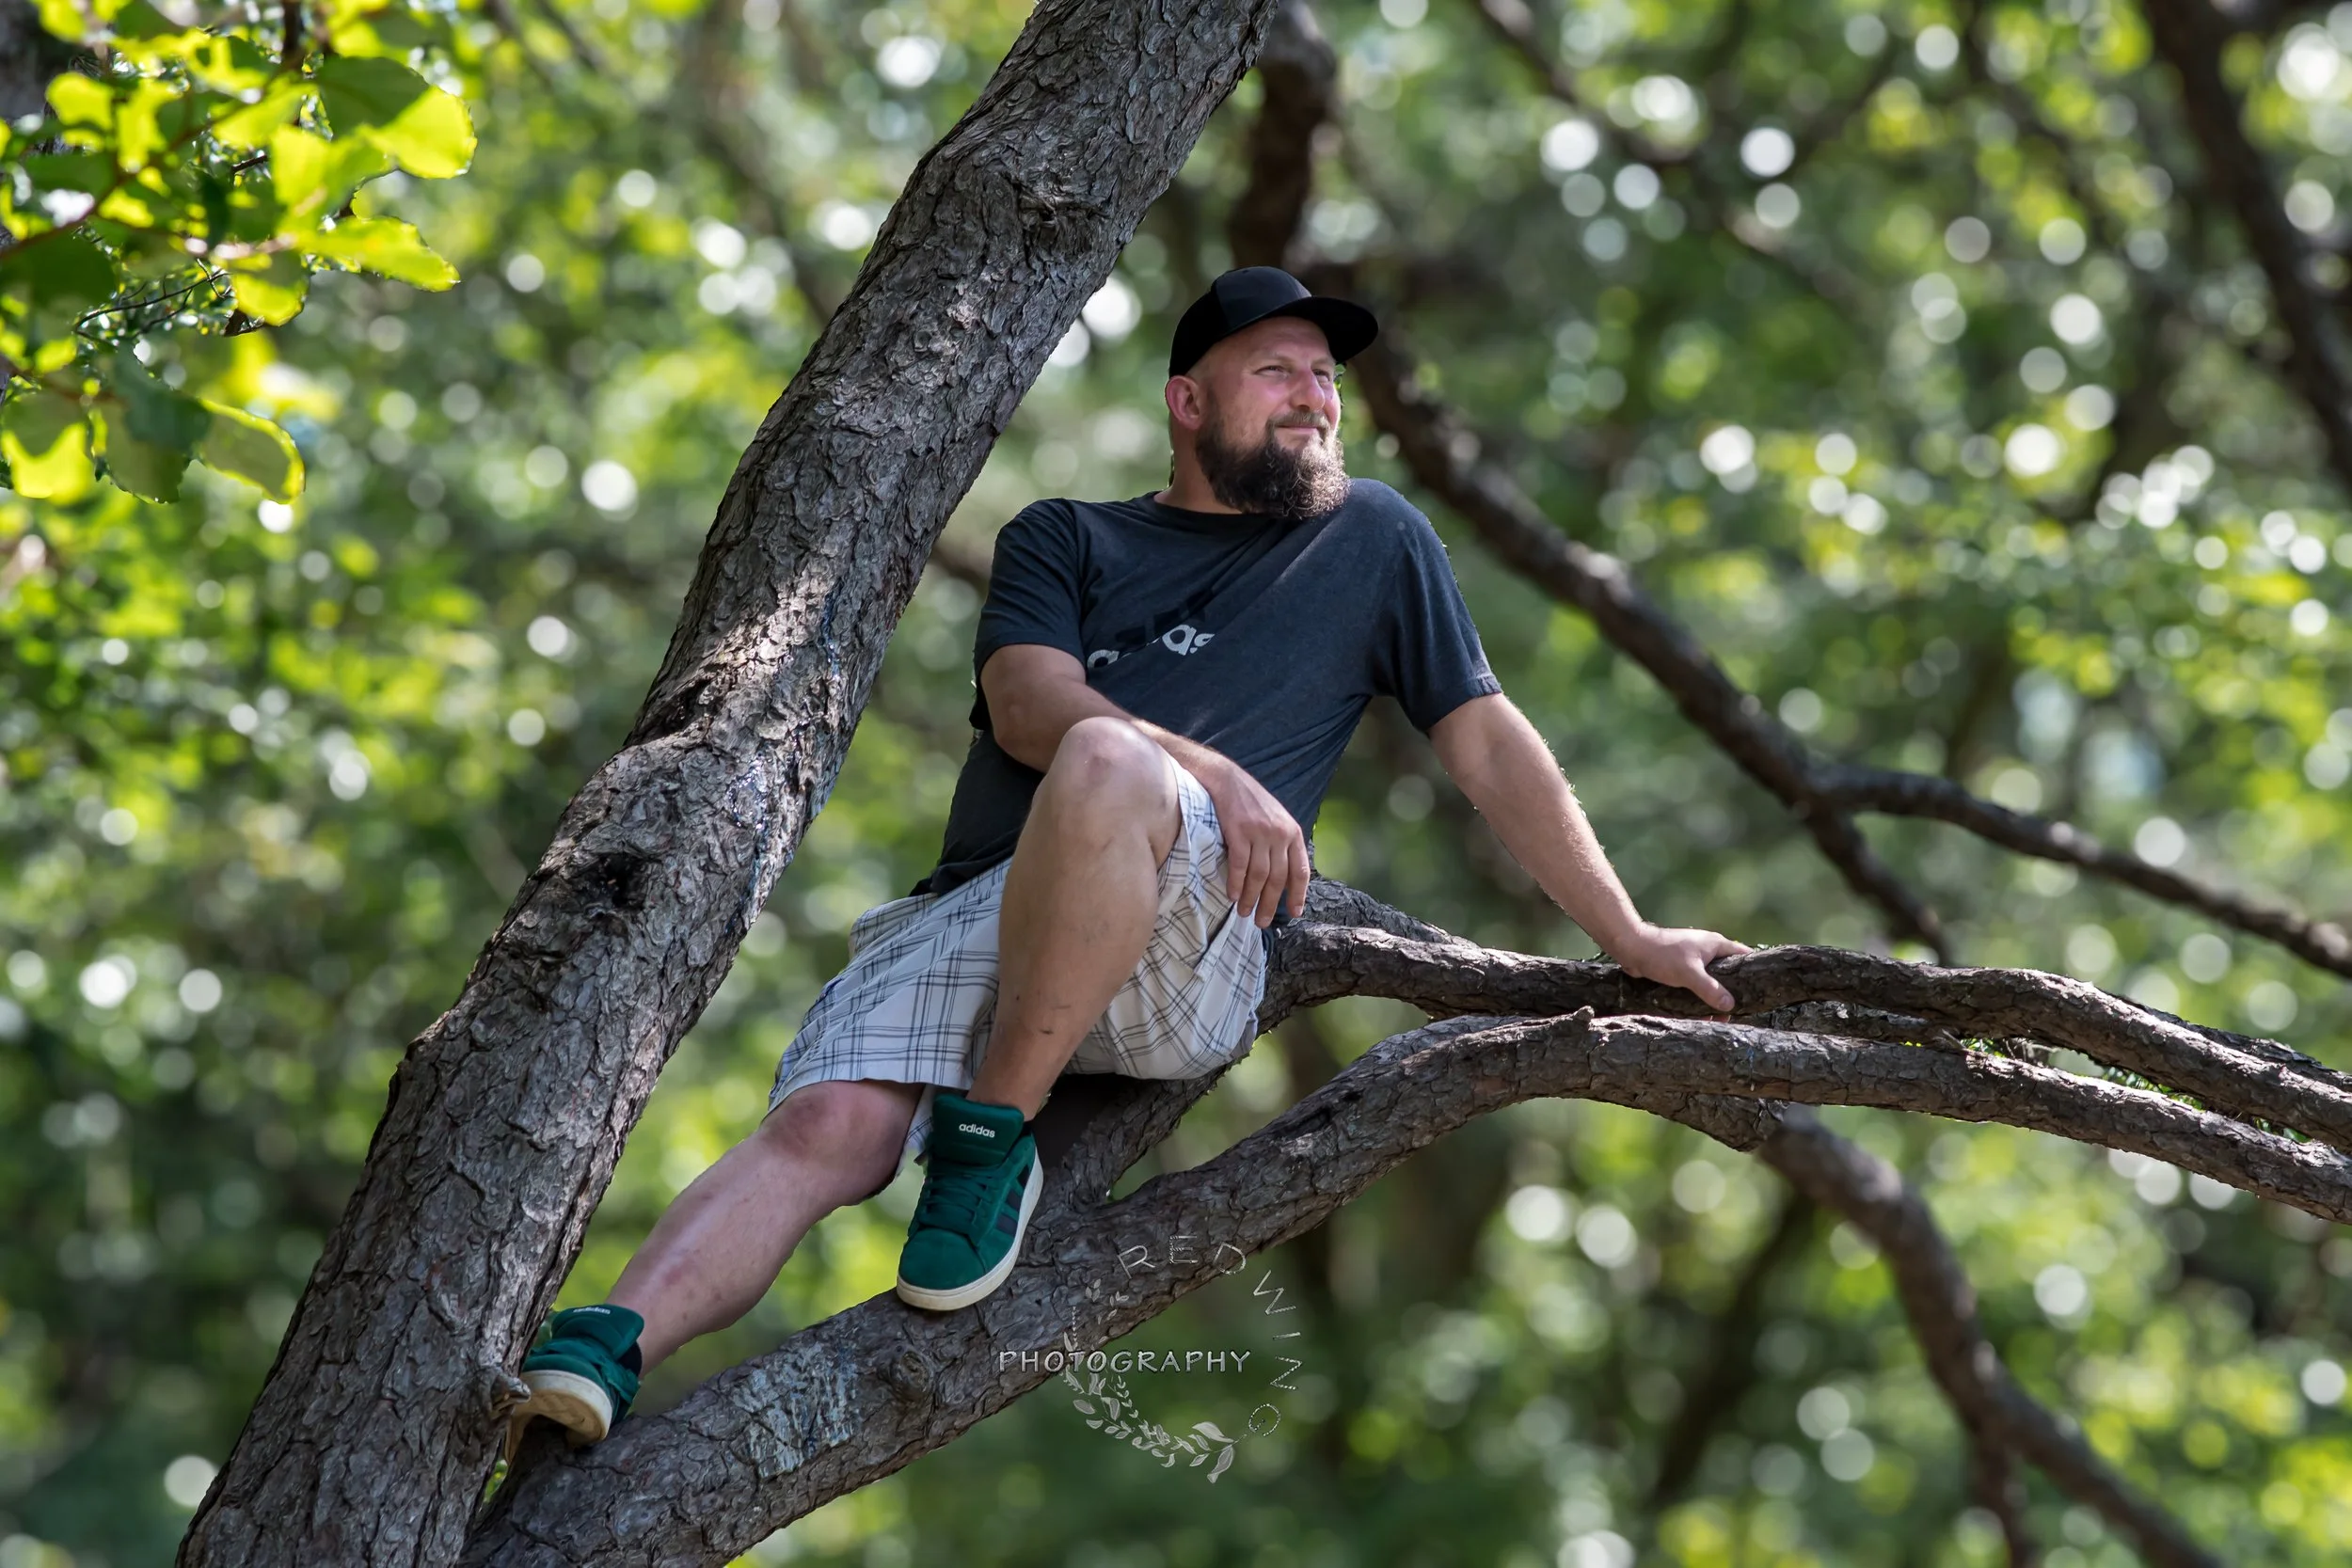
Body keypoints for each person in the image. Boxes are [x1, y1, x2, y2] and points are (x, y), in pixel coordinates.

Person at [501, 266, 1750, 1455]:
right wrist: (1213, 767)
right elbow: (1032, 701)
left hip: (1183, 930)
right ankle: (611, 1340)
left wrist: (1629, 937)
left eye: (1325, 377)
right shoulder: (1068, 538)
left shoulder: (1375, 538)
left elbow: (1486, 743)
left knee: (1113, 766)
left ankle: (986, 1144)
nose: (1315, 396)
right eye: (1277, 372)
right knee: (832, 1121)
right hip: (992, 903)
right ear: (1187, 402)